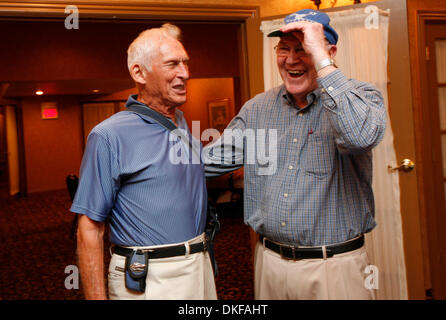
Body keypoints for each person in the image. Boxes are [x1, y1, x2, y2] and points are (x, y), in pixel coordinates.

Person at [203, 9, 386, 300]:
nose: (290, 59)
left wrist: (322, 59)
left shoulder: (362, 96)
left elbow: (359, 136)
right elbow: (206, 164)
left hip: (333, 269)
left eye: (303, 49)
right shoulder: (257, 108)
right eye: (284, 49)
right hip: (270, 264)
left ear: (330, 51)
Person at [70, 23, 217, 300]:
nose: (185, 73)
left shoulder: (181, 122)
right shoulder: (108, 135)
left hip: (199, 265)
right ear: (139, 72)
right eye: (172, 64)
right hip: (149, 277)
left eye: (185, 63)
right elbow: (89, 228)